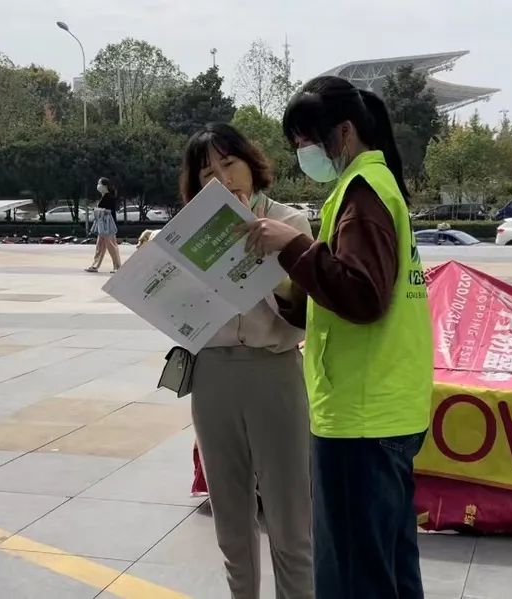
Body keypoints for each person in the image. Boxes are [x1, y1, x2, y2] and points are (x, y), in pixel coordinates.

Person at [241, 76, 434, 599]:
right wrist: (288, 280)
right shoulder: (377, 186)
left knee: (352, 577)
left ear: (344, 132)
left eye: (307, 141)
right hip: (387, 406)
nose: (303, 153)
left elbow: (362, 296)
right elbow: (348, 295)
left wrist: (294, 246)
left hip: (360, 416)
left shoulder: (362, 193)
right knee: (388, 569)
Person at [179, 122, 314, 599]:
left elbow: (306, 312)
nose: (222, 179)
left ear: (251, 165)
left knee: (290, 521)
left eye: (229, 163)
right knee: (231, 524)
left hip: (273, 373)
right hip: (212, 376)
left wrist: (275, 258)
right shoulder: (189, 235)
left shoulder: (290, 223)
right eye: (207, 173)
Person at [85, 177, 121, 273]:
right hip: (102, 224)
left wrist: (97, 210)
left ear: (105, 186)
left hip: (108, 225)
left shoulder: (109, 197)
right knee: (100, 246)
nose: (98, 186)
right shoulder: (104, 196)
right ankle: (95, 265)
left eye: (99, 183)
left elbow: (109, 211)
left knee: (111, 245)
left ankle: (117, 266)